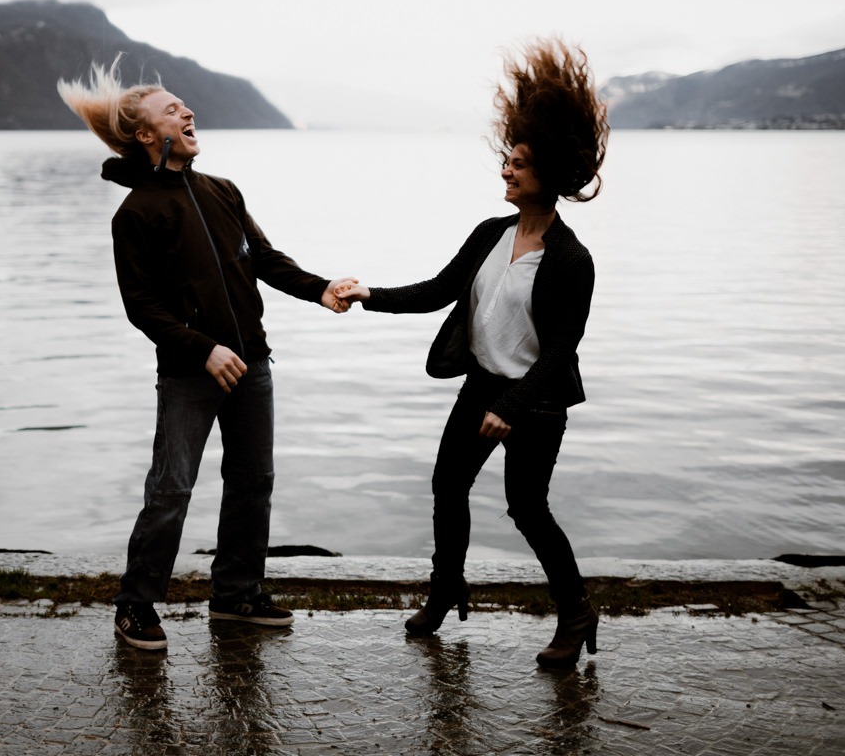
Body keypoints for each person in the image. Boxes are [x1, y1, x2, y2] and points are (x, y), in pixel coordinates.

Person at [58, 58, 356, 651]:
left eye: (185, 105)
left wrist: (319, 288)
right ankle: (136, 604)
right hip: (191, 372)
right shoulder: (136, 213)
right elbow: (143, 308)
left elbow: (263, 260)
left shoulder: (223, 191)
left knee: (254, 482)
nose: (187, 112)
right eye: (172, 109)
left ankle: (236, 596)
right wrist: (204, 350)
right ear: (147, 135)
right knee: (171, 489)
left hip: (254, 363)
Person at [335, 38, 609, 668]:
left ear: (549, 174)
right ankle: (446, 590)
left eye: (518, 163)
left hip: (535, 402)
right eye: (507, 160)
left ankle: (575, 612)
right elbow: (437, 291)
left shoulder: (571, 260)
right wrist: (368, 294)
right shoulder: (491, 234)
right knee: (446, 487)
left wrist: (512, 406)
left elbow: (561, 352)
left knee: (527, 510)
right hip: (480, 388)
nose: (506, 171)